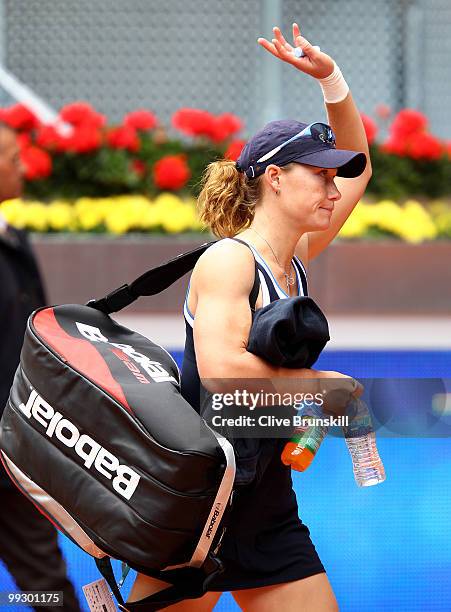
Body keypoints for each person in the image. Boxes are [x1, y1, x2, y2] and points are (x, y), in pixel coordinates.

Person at [126, 22, 372, 611]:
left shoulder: (297, 255)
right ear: (275, 177)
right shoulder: (228, 261)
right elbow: (219, 372)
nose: (334, 188)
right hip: (201, 502)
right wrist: (322, 390)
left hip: (267, 504)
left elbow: (362, 171)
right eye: (320, 175)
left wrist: (331, 81)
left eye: (333, 177)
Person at [0, 121, 82, 611]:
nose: (22, 168)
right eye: (11, 158)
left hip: (14, 451)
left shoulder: (14, 239)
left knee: (44, 584)